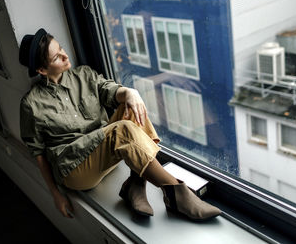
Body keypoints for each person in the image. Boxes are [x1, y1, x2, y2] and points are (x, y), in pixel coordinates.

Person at [18, 28, 221, 221]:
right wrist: (56, 195)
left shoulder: (83, 75)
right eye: (56, 57)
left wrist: (131, 93)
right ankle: (175, 192)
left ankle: (136, 183)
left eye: (61, 48)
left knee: (131, 105)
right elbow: (38, 154)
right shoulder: (31, 104)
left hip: (103, 149)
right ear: (42, 70)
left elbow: (111, 90)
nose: (65, 56)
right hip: (76, 169)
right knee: (122, 130)